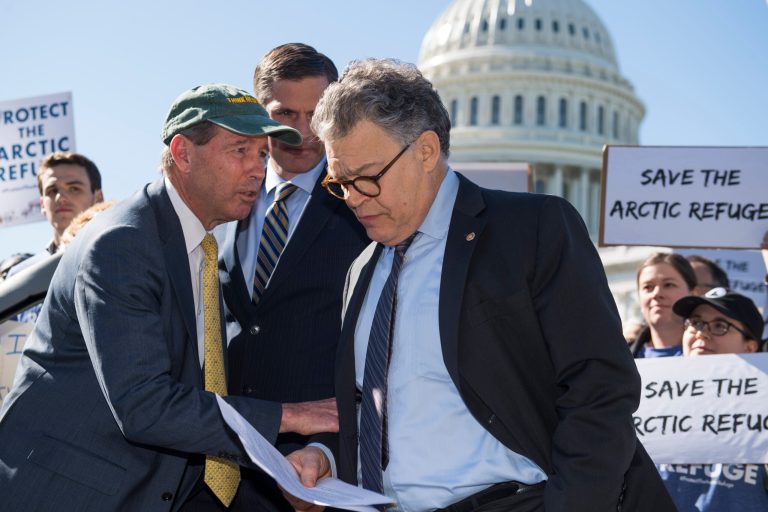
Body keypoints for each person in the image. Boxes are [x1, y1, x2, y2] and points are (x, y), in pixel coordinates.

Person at [285, 59, 674, 511]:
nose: (353, 199)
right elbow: (379, 404)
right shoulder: (362, 270)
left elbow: (599, 389)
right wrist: (328, 454)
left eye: (368, 178)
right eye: (341, 183)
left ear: (426, 151)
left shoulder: (531, 230)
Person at [0, 84, 337, 512]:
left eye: (262, 155)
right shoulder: (124, 243)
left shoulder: (199, 242)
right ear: (182, 152)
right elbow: (144, 404)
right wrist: (291, 416)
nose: (257, 169)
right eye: (240, 151)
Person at [216, 43, 368, 512]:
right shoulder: (220, 203)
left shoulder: (363, 206)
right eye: (285, 114)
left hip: (315, 470)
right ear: (259, 112)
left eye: (315, 113)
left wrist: (326, 449)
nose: (302, 132)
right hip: (220, 463)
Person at [658, 288, 767, 510]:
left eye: (720, 326)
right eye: (695, 323)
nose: (701, 333)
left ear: (750, 347)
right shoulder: (655, 396)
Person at [630, 252, 697, 358]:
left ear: (692, 293)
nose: (656, 294)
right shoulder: (618, 358)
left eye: (668, 285)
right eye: (648, 287)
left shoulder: (715, 355)